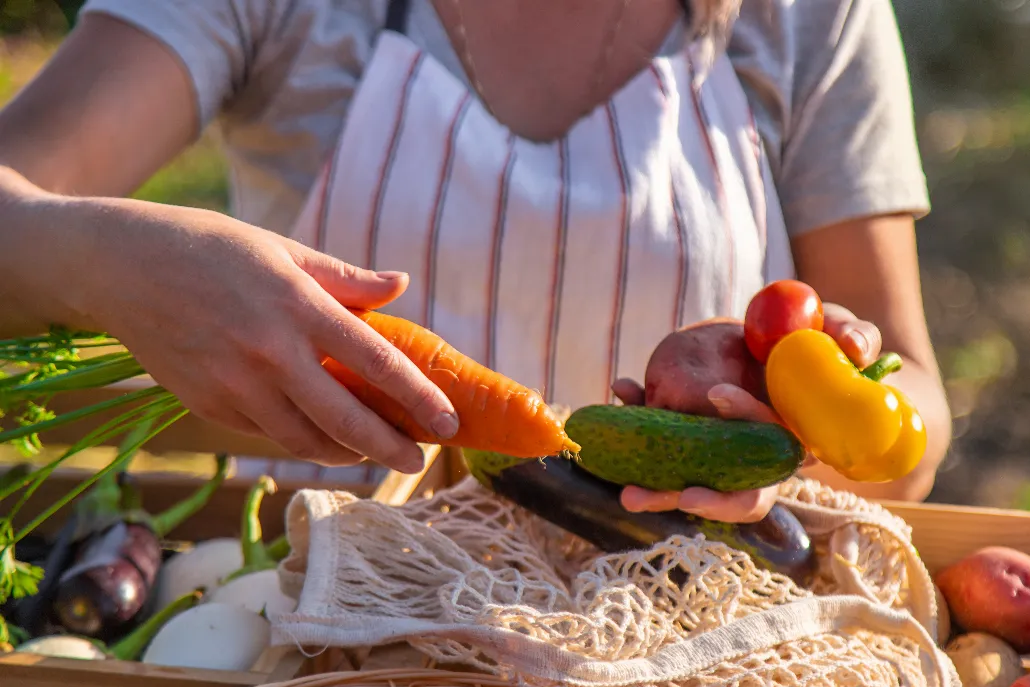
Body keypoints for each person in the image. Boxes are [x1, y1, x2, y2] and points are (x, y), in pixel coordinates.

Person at [0, 0, 950, 522]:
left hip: (685, 657)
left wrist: (808, 438)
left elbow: (916, 422)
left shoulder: (810, 14)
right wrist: (110, 258)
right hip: (318, 663)